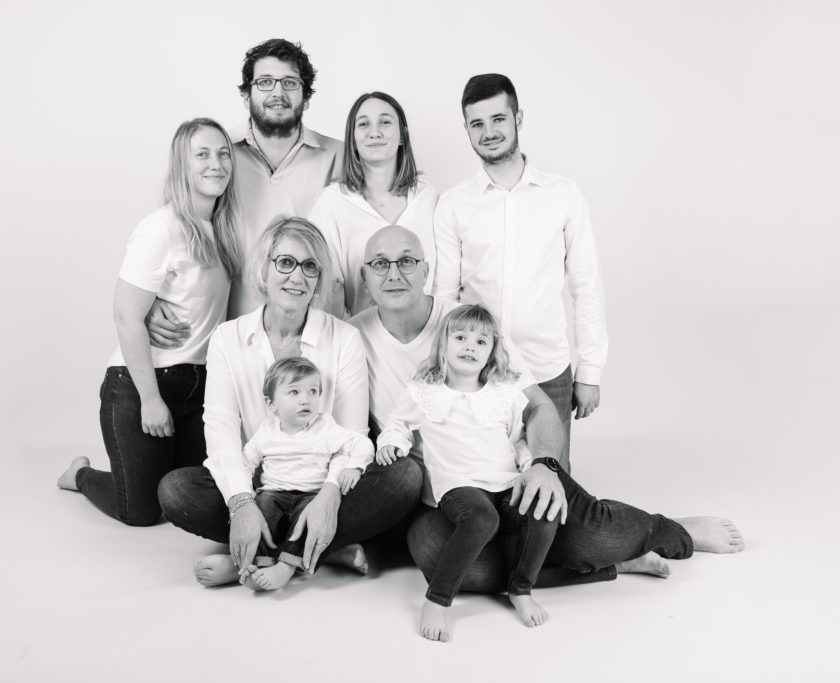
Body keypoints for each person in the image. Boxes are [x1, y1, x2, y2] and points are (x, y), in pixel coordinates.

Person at [351, 226, 745, 641]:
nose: (394, 273)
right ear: (365, 276)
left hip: (506, 473)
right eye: (380, 263)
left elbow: (535, 405)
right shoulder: (352, 334)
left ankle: (666, 529)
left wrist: (539, 465)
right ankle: (618, 563)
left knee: (585, 536)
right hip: (441, 493)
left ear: (425, 268)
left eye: (407, 261)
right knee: (452, 563)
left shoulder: (466, 324)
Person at [156, 217, 421, 585]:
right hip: (262, 483)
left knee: (404, 477)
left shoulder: (344, 338)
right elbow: (220, 431)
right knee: (175, 490)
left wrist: (328, 498)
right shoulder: (227, 338)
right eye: (285, 262)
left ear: (318, 280)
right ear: (264, 270)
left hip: (324, 484)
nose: (297, 277)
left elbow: (352, 435)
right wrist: (242, 503)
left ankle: (251, 562)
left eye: (309, 266)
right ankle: (319, 548)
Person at [57, 118, 241, 526]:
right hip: (141, 385)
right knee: (141, 513)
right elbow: (126, 315)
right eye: (203, 155)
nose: (216, 163)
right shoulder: (160, 228)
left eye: (223, 153)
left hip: (198, 387)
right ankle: (80, 475)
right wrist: (151, 400)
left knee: (184, 493)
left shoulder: (223, 230)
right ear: (181, 165)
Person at [433, 73, 609, 469]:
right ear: (466, 129)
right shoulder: (454, 204)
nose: (489, 131)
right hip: (478, 373)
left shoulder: (564, 195)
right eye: (477, 124)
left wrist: (591, 371)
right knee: (490, 492)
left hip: (548, 370)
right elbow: (445, 298)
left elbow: (587, 286)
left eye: (498, 119)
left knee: (553, 495)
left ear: (518, 118)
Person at [377, 305, 560, 640]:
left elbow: (517, 440)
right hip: (458, 484)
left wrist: (528, 467)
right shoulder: (424, 392)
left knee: (543, 511)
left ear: (492, 352)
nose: (469, 346)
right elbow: (397, 423)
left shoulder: (504, 394)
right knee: (481, 519)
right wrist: (392, 443)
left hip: (505, 481)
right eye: (460, 337)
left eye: (480, 341)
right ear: (443, 345)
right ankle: (437, 600)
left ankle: (521, 589)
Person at [148, 39, 343, 343]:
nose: (277, 93)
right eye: (265, 82)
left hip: (314, 341)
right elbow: (176, 228)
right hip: (229, 339)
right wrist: (153, 298)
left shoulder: (340, 157)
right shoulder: (218, 156)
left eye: (290, 82)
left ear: (306, 97)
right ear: (245, 95)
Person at [197, 357, 374, 591]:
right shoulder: (266, 431)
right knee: (261, 517)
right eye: (294, 392)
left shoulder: (325, 427)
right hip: (272, 492)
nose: (305, 399)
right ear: (272, 404)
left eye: (313, 391)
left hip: (311, 496)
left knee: (305, 525)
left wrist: (356, 466)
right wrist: (242, 498)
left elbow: (361, 443)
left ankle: (285, 567)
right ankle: (254, 565)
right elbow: (245, 463)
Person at [308, 91, 438, 317]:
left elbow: (442, 286)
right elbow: (327, 293)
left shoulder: (429, 198)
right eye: (364, 124)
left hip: (430, 340)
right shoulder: (331, 204)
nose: (374, 132)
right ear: (353, 140)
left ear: (401, 136)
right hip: (359, 343)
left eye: (385, 122)